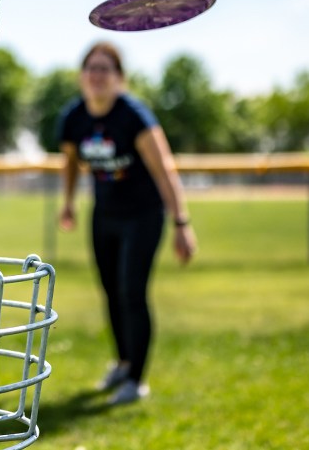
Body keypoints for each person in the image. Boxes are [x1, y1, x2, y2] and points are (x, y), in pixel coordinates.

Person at [58, 41, 197, 405]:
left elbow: (164, 169)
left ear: (120, 77)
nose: (97, 75)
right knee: (110, 291)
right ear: (81, 76)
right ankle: (122, 363)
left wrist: (182, 223)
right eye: (92, 68)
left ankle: (136, 380)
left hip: (143, 214)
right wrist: (69, 202)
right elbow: (71, 160)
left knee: (132, 292)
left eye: (106, 68)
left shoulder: (134, 116)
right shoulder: (74, 117)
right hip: (104, 215)